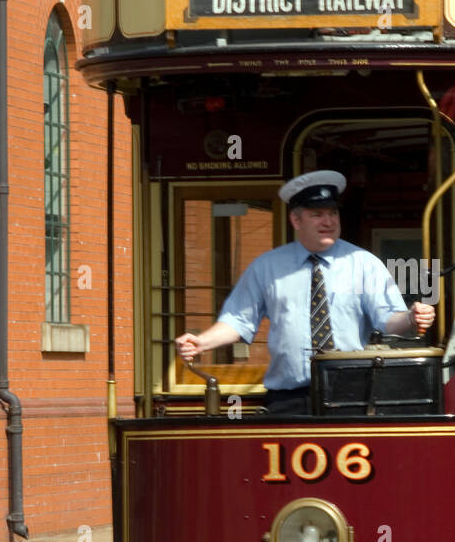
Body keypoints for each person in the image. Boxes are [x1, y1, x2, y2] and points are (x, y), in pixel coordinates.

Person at [175, 171, 436, 413]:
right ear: (295, 219)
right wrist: (201, 343)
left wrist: (412, 318)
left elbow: (389, 319)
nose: (328, 221)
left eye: (332, 213)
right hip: (288, 400)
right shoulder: (268, 266)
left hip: (352, 394)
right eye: (317, 214)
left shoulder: (363, 263)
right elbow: (238, 320)